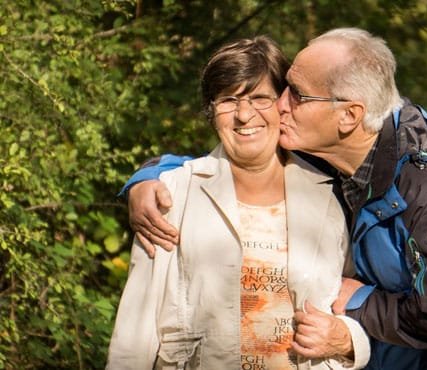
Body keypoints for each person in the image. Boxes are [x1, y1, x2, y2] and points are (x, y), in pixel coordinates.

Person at [125, 28, 427, 369]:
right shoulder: (336, 155)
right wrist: (149, 176)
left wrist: (359, 303)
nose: (278, 105)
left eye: (296, 94)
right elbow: (230, 160)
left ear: (349, 115)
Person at [106, 36, 371, 370]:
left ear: (284, 104)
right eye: (228, 100)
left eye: (260, 98)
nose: (244, 115)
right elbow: (135, 332)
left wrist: (349, 340)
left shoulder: (333, 194)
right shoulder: (172, 193)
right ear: (212, 110)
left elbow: (358, 301)